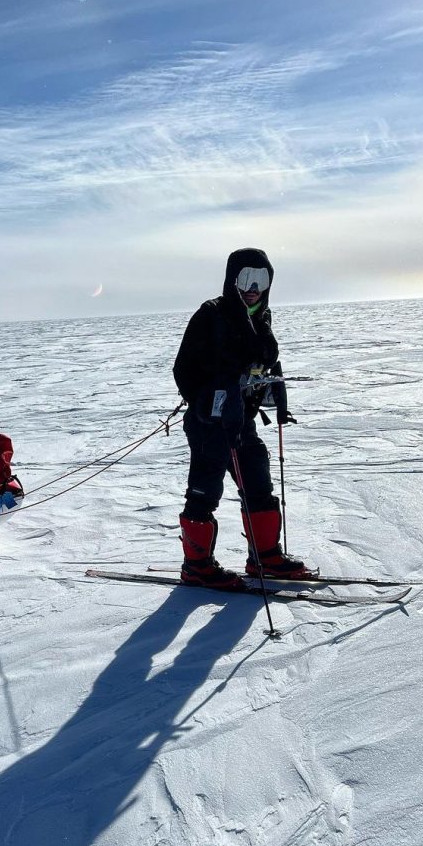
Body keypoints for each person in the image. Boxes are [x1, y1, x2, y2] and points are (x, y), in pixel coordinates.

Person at [172, 247, 311, 589]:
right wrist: (208, 399)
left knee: (258, 482)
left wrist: (277, 394)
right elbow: (183, 370)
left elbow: (266, 362)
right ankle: (197, 566)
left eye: (261, 279)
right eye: (245, 278)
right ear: (231, 279)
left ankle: (264, 557)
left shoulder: (261, 318)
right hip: (210, 424)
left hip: (242, 421)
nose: (253, 286)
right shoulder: (211, 315)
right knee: (205, 492)